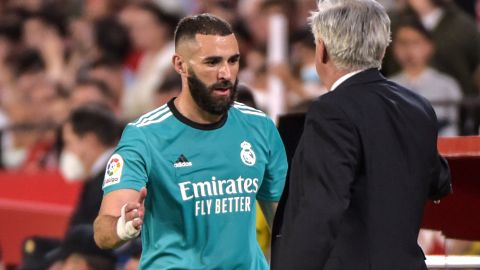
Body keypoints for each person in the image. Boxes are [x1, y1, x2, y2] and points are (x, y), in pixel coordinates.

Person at [94, 14, 287, 269]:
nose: (226, 73)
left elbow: (285, 226)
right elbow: (102, 231)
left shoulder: (260, 127)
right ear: (180, 65)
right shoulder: (145, 135)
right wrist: (123, 226)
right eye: (212, 62)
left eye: (233, 60)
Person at [271, 1, 451, 270]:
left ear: (322, 50)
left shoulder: (331, 110)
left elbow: (321, 208)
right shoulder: (417, 105)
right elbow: (439, 180)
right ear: (382, 49)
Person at [390, 17, 462, 136]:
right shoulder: (387, 85)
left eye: (415, 42)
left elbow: (454, 127)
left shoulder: (447, 85)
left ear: (429, 46)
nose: (409, 49)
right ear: (394, 48)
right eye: (403, 43)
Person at [60, 105, 119, 229]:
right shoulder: (97, 179)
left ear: (89, 140)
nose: (66, 151)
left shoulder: (111, 179)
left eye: (69, 143)